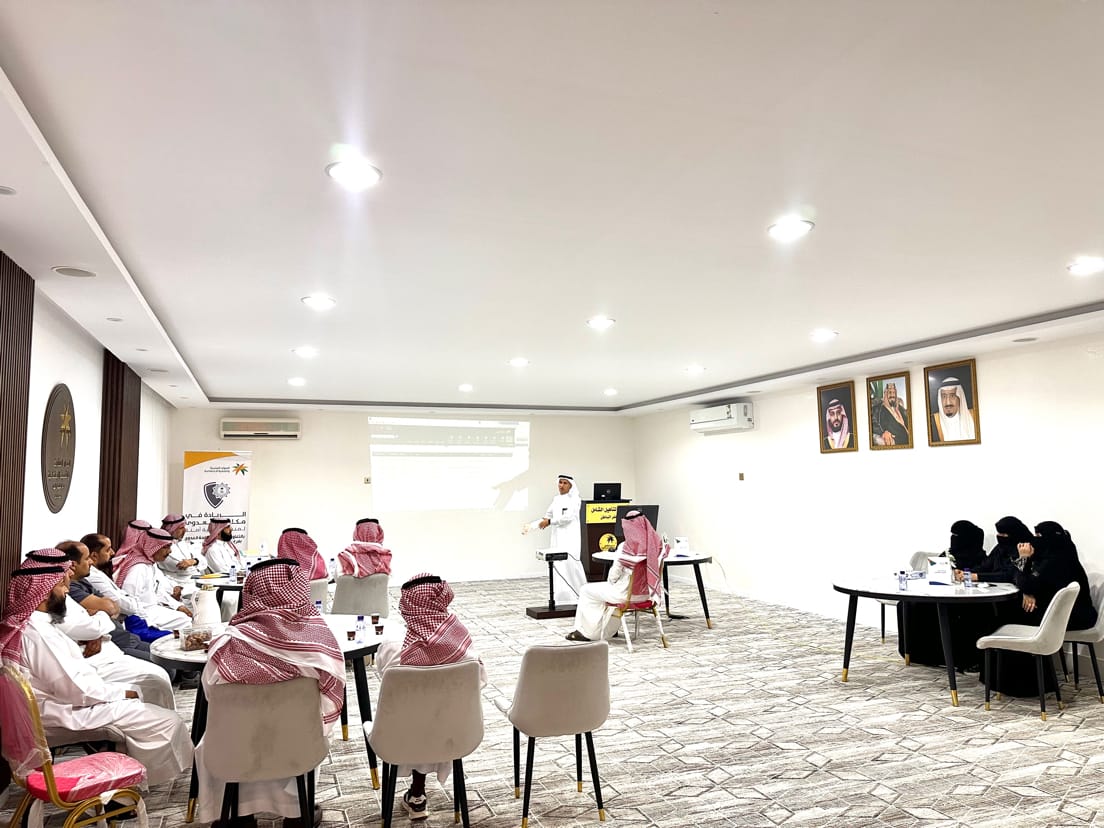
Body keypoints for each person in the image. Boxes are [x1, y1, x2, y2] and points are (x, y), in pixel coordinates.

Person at [0, 557, 193, 784]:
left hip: (57, 704)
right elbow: (76, 690)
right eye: (61, 585)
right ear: (43, 592)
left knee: (146, 700)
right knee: (165, 721)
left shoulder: (31, 624)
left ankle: (123, 778)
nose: (66, 591)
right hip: (60, 712)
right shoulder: (39, 633)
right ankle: (131, 786)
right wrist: (120, 693)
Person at [195, 557, 345, 827]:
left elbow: (211, 697)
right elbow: (329, 706)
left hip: (234, 748)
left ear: (251, 591)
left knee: (221, 733)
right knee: (311, 728)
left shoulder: (225, 645)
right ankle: (297, 812)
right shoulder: (321, 646)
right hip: (299, 747)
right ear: (299, 589)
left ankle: (238, 815)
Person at [375, 574, 486, 821]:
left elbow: (389, 688)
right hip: (456, 734)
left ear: (407, 606)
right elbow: (479, 683)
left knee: (412, 717)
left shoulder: (392, 649)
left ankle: (417, 793)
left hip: (402, 737)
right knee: (434, 716)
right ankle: (418, 792)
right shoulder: (465, 646)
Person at [53, 540, 176, 708]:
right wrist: (98, 624)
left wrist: (97, 619)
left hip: (114, 644)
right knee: (160, 675)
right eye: (87, 558)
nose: (91, 562)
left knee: (165, 666)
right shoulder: (61, 598)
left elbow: (112, 608)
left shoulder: (75, 587)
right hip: (99, 659)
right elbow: (95, 622)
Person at [566, 510, 665, 642]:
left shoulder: (626, 547)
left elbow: (613, 576)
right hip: (648, 596)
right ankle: (609, 630)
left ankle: (588, 633)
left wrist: (612, 583)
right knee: (601, 593)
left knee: (586, 590)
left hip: (625, 595)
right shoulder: (658, 546)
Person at [113, 528, 192, 630]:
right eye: (166, 547)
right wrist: (145, 621)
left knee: (185, 615)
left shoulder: (150, 565)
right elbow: (129, 600)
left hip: (151, 608)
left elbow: (157, 591)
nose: (170, 551)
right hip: (140, 614)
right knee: (184, 620)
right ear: (152, 547)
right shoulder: (138, 568)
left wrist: (177, 606)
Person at [530, 474, 587, 605]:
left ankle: (579, 595)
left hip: (570, 538)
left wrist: (549, 522)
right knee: (558, 564)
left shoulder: (575, 500)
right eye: (560, 482)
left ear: (571, 485)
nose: (561, 485)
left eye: (565, 483)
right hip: (557, 538)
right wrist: (533, 526)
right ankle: (562, 597)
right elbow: (548, 515)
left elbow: (567, 518)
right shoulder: (556, 499)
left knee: (570, 564)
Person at [159, 514, 206, 594]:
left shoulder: (183, 543)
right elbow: (185, 570)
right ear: (172, 529)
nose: (185, 530)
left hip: (196, 583)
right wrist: (196, 564)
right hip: (180, 587)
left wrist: (193, 561)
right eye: (181, 528)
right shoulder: (163, 548)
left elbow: (204, 562)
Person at [931, 376, 976, 441]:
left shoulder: (974, 416)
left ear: (960, 397)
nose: (948, 402)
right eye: (944, 396)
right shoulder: (933, 422)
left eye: (952, 396)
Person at [871, 382, 910, 446]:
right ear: (885, 394)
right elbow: (872, 422)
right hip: (896, 441)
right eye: (890, 392)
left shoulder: (900, 409)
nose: (892, 395)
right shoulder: (878, 408)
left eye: (894, 393)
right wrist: (882, 433)